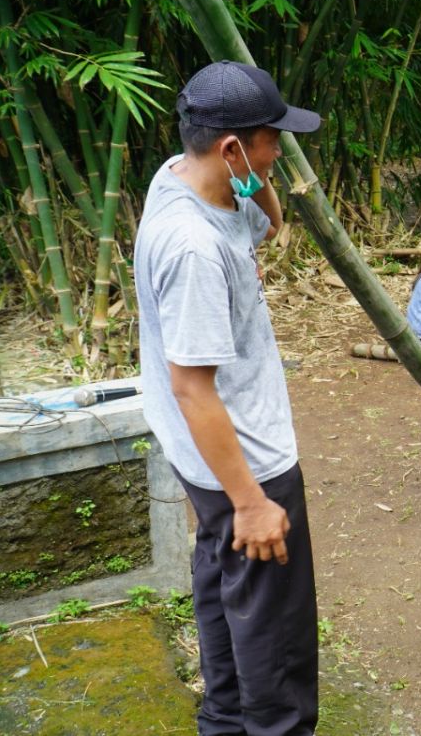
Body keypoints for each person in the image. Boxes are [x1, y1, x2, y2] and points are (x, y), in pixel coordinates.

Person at [134, 60, 321, 734]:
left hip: (205, 461)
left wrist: (260, 178)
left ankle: (224, 722)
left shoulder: (180, 176)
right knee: (278, 646)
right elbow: (191, 385)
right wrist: (250, 502)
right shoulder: (192, 248)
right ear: (232, 147)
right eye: (273, 138)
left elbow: (264, 225)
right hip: (248, 462)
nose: (283, 150)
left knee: (225, 599)